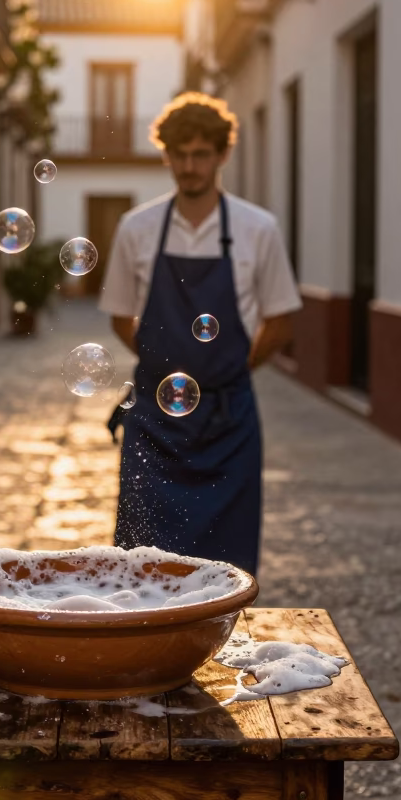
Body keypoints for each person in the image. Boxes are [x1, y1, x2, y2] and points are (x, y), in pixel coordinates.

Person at [99, 92, 301, 574]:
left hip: (229, 421)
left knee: (226, 565)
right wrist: (163, 361)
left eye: (200, 154)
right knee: (140, 565)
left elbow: (281, 319)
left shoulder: (259, 229)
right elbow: (119, 315)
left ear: (222, 154)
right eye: (179, 154)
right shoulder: (137, 228)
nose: (189, 166)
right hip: (153, 422)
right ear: (165, 154)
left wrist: (227, 369)